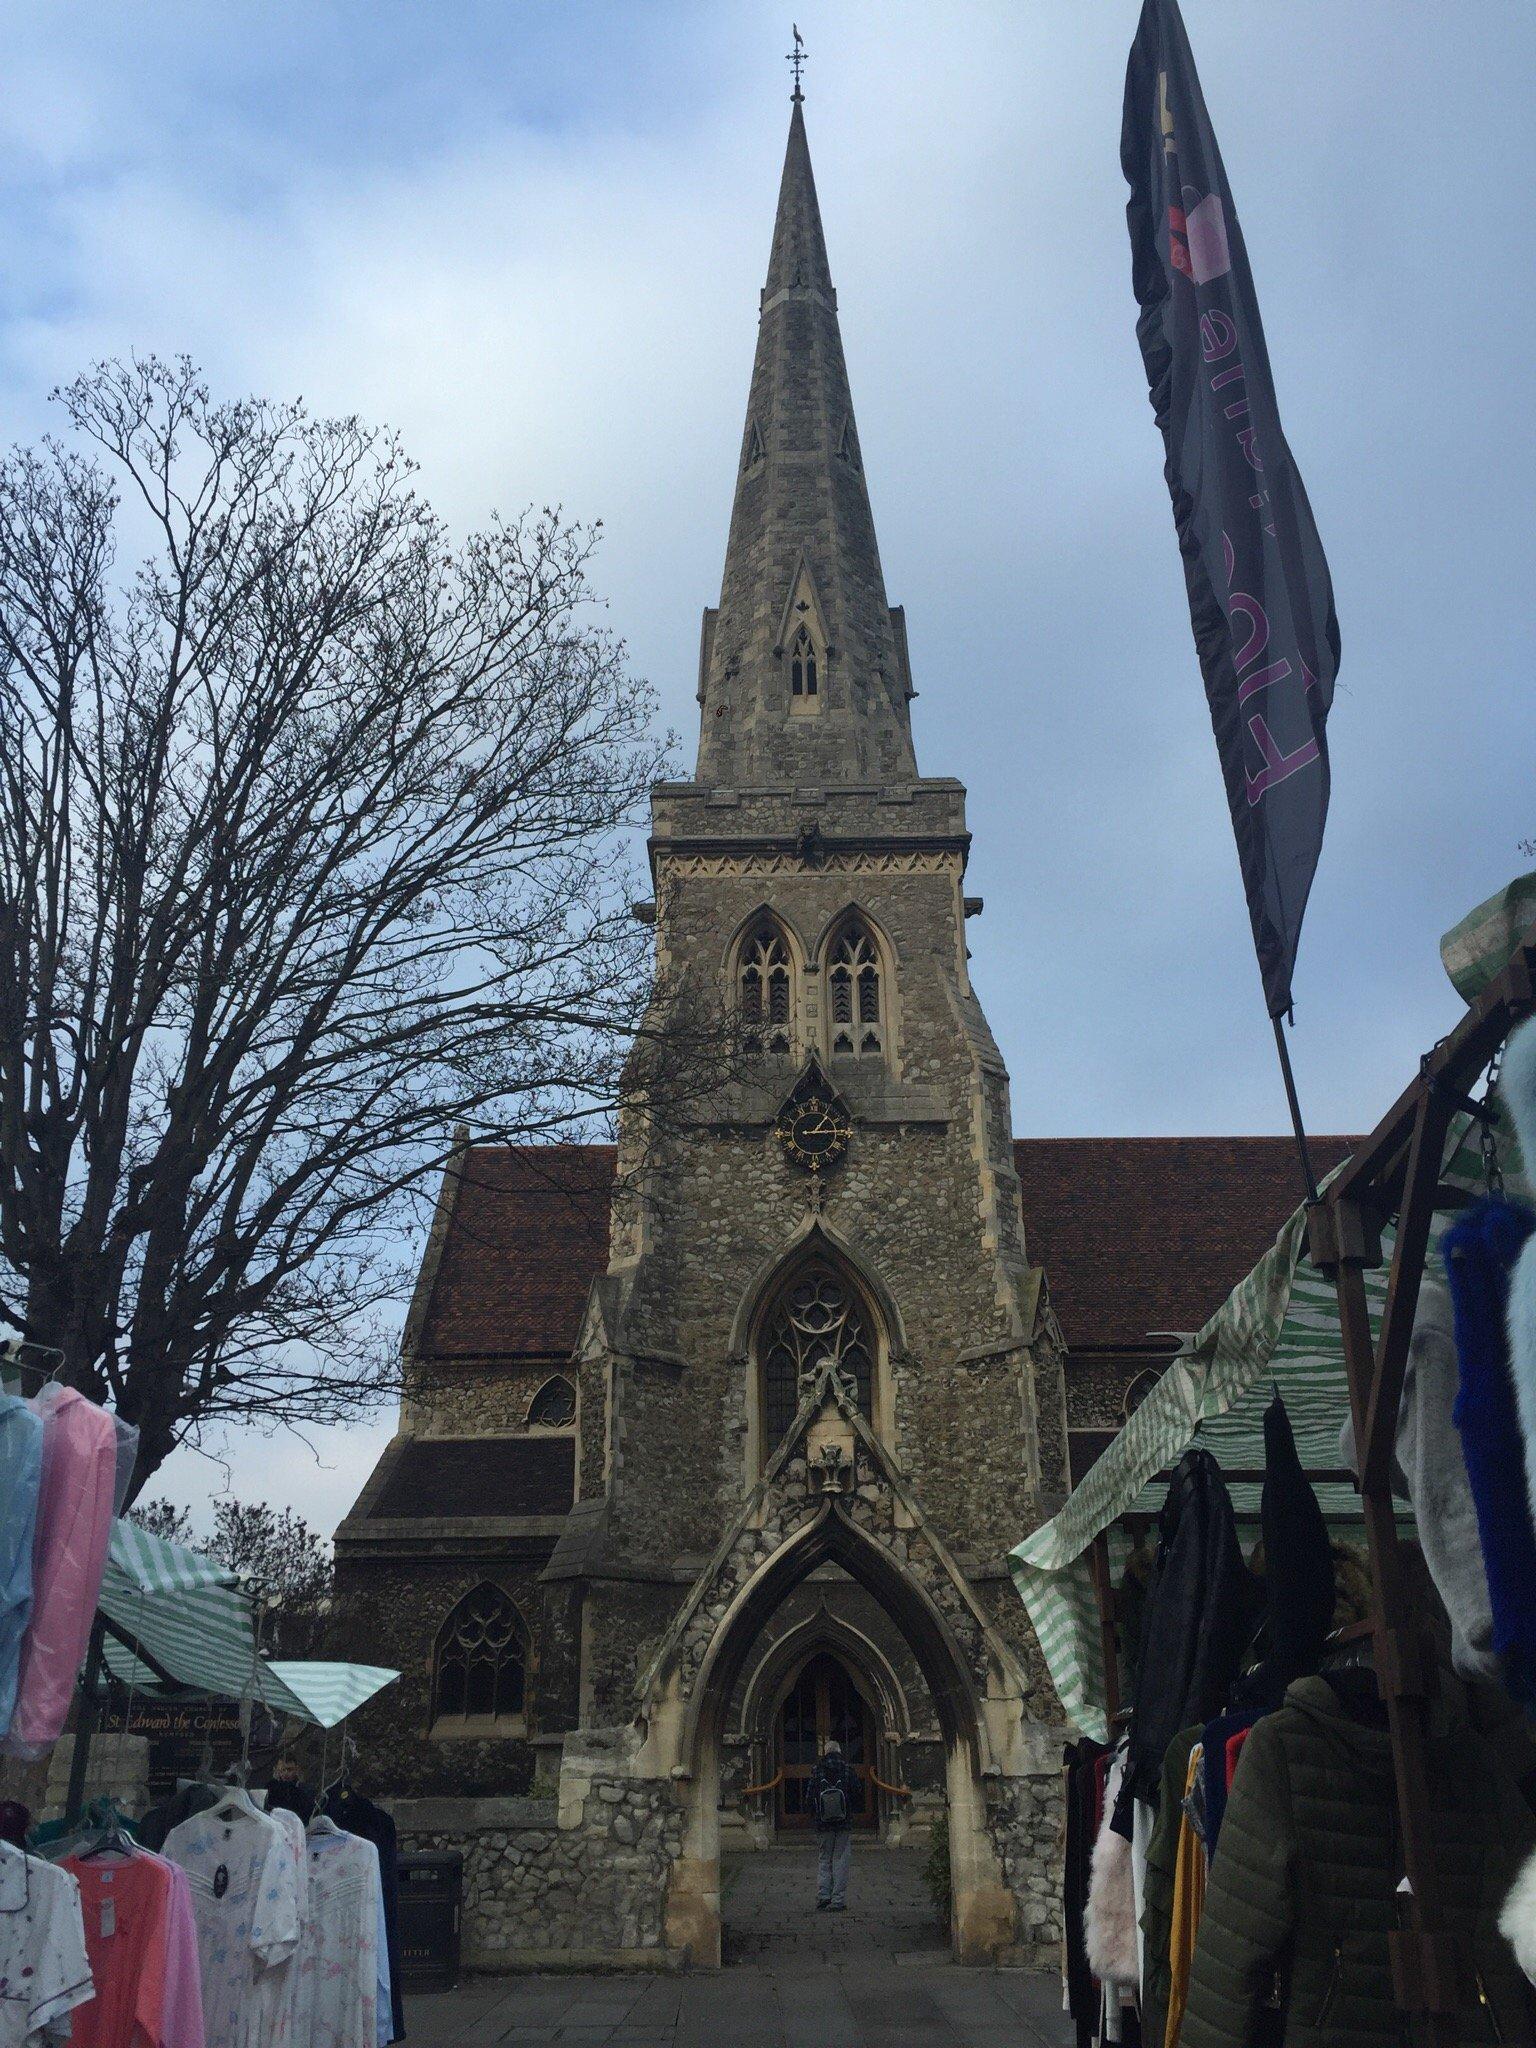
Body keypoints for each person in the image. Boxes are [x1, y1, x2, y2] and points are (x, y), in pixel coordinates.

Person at [809, 1739, 854, 1911]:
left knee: (824, 1858)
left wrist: (814, 1816)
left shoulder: (817, 1769)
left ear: (825, 1752)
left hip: (823, 1823)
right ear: (839, 1751)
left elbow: (809, 1795)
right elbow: (857, 1791)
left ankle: (823, 1896)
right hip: (843, 1822)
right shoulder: (847, 1769)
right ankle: (838, 1900)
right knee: (840, 1859)